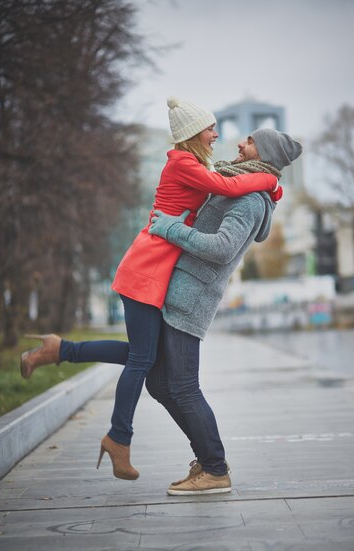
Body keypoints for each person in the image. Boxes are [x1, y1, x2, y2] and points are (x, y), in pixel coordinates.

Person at [20, 97, 281, 482]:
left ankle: (61, 350)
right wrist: (273, 181)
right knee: (144, 361)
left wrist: (267, 185)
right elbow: (223, 185)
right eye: (211, 128)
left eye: (243, 138)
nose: (219, 136)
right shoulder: (185, 162)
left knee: (144, 357)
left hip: (156, 271)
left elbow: (220, 196)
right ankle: (119, 438)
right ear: (194, 133)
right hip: (148, 269)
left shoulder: (204, 170)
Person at [145, 127, 302, 495]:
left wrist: (170, 228)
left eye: (248, 141)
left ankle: (215, 469)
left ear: (261, 153)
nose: (239, 143)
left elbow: (221, 248)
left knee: (182, 387)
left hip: (191, 300)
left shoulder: (249, 200)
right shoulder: (239, 186)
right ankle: (207, 459)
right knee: (158, 383)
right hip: (179, 293)